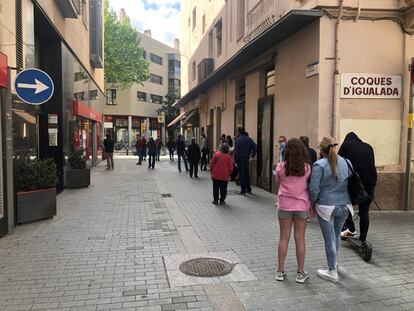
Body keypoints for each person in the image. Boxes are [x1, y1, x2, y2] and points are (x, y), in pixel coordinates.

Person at [309, 136, 353, 282]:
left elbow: (314, 189)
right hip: (345, 205)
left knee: (329, 239)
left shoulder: (319, 165)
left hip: (326, 206)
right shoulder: (347, 162)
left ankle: (332, 271)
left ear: (321, 150)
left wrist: (313, 202)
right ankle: (334, 263)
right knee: (336, 236)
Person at [274, 138, 311, 283]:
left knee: (284, 238)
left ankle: (280, 271)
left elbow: (278, 182)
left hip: (284, 205)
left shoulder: (281, 167)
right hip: (301, 206)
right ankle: (300, 273)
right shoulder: (307, 168)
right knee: (300, 238)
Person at [339, 132, 377, 242]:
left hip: (354, 182)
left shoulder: (346, 146)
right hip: (370, 182)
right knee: (364, 211)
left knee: (345, 205)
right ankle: (363, 238)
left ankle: (351, 229)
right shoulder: (368, 147)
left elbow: (339, 163)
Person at [234, 128, 257, 195]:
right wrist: (252, 155)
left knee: (241, 174)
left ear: (239, 132)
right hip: (246, 158)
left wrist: (235, 161)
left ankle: (243, 190)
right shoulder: (249, 139)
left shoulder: (237, 140)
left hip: (240, 159)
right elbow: (255, 147)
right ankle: (248, 189)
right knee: (247, 174)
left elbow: (236, 152)